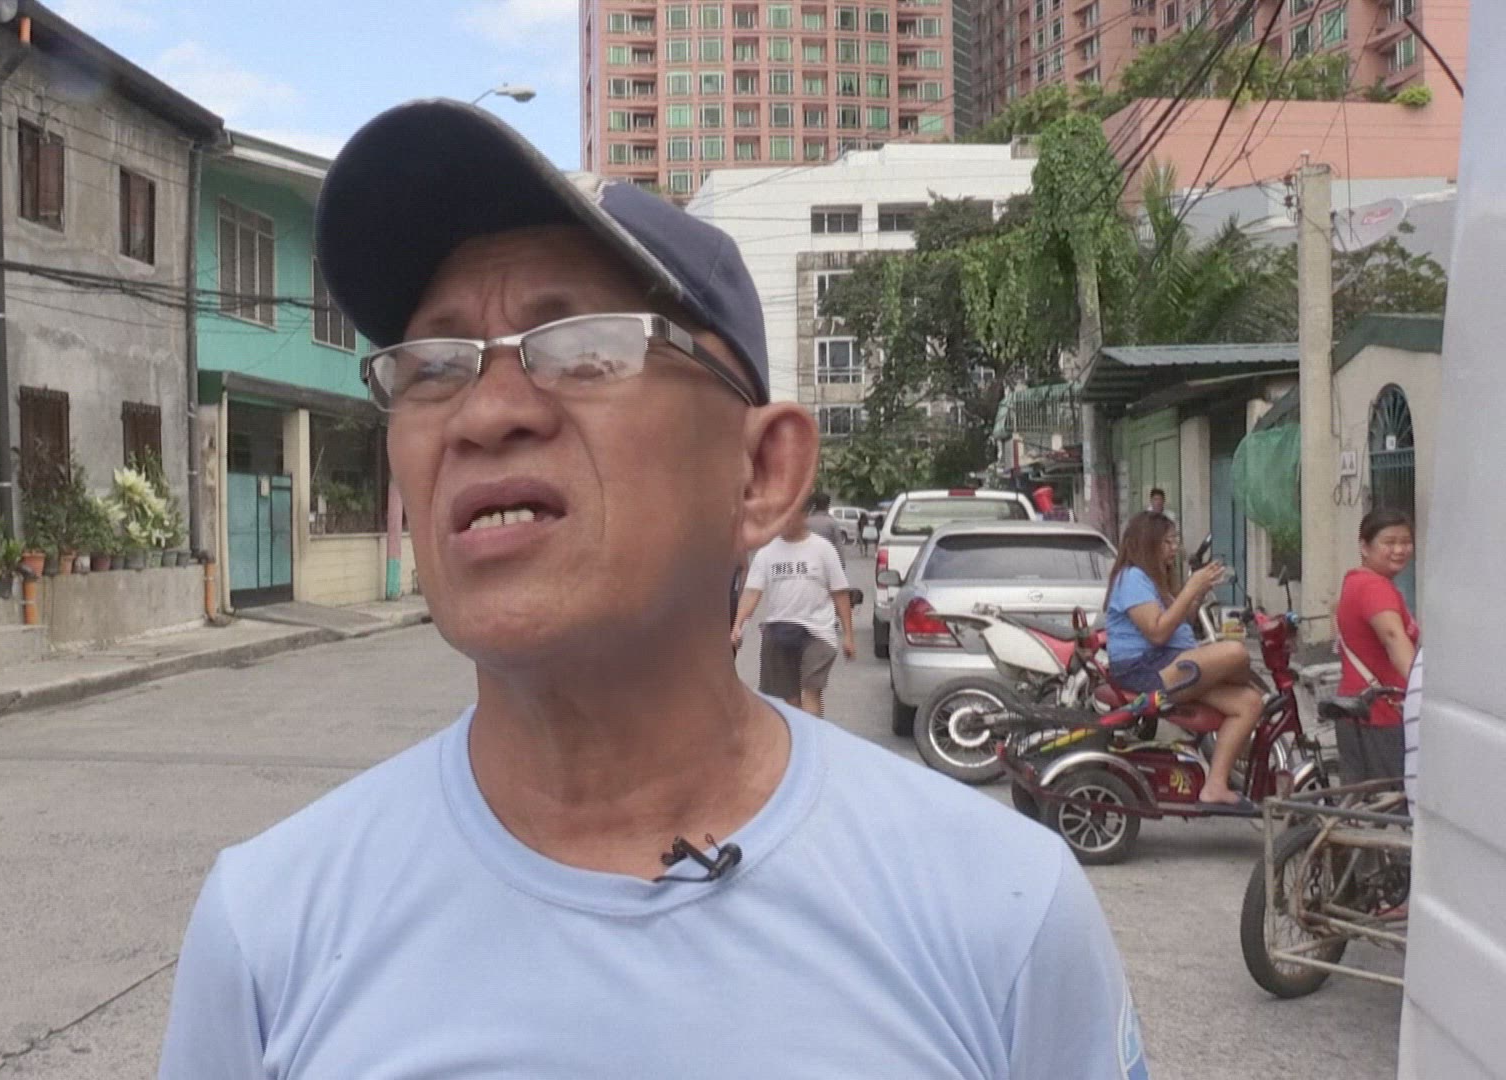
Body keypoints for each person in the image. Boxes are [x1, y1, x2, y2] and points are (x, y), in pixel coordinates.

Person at [160, 100, 1142, 1080]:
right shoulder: (270, 930)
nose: (485, 414)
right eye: (433, 367)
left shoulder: (1001, 916)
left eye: (586, 346)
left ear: (761, 475)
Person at [1103, 511, 1262, 811]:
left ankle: (1215, 787)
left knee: (1249, 703)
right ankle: (1233, 678)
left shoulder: (1155, 579)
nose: (1174, 548)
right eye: (1168, 542)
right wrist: (1190, 588)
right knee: (1235, 653)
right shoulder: (1132, 577)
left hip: (1171, 661)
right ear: (1148, 543)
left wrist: (1197, 593)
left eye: (1175, 541)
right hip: (1146, 668)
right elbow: (1157, 632)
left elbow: (1181, 624)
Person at [730, 501, 854, 717]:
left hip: (817, 632)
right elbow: (752, 592)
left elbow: (840, 593)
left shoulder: (823, 550)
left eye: (789, 515)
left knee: (811, 692)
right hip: (779, 629)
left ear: (804, 515)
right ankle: (798, 733)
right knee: (789, 700)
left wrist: (849, 636)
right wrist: (738, 625)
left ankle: (812, 734)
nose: (783, 522)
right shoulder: (767, 553)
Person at [1332, 508, 1419, 785]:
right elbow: (1393, 638)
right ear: (1364, 546)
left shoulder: (1355, 581)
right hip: (1381, 715)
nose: (1399, 550)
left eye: (1405, 542)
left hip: (1357, 712)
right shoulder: (1374, 587)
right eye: (1389, 542)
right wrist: (1420, 687)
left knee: (1362, 799)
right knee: (1391, 800)